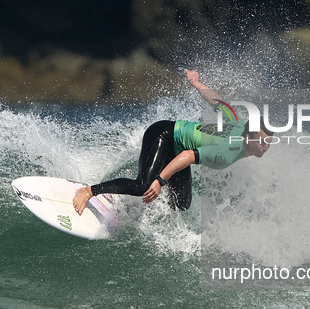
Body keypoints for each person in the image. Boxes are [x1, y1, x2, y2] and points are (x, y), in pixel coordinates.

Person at [72, 69, 273, 215]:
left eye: (268, 143)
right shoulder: (226, 153)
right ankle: (89, 191)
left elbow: (216, 101)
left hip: (177, 147)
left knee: (181, 203)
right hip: (163, 135)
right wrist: (160, 182)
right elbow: (187, 156)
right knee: (145, 185)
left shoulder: (239, 123)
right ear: (248, 137)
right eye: (262, 142)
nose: (266, 147)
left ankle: (131, 204)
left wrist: (196, 83)